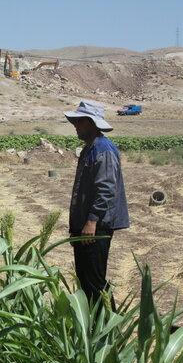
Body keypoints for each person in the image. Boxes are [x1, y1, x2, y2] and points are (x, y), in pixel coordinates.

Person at [64, 100, 129, 309]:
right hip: (84, 225)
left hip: (96, 226)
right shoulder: (90, 149)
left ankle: (108, 328)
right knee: (85, 279)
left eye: (80, 121)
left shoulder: (103, 149)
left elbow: (106, 189)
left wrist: (91, 221)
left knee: (95, 281)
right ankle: (92, 327)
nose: (76, 126)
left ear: (92, 123)